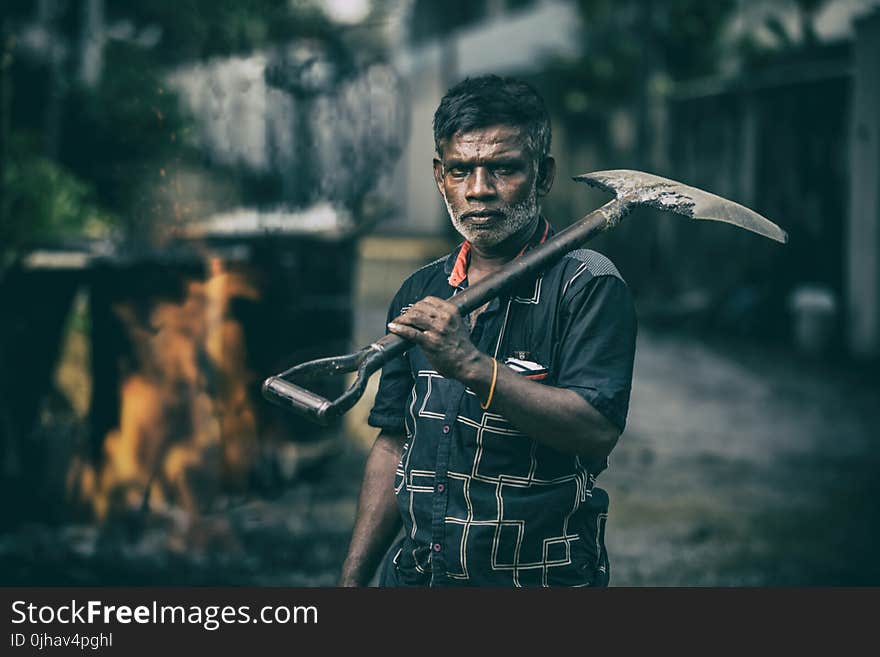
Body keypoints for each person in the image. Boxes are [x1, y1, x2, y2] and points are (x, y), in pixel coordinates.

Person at [339, 75, 637, 587]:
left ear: (543, 176)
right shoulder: (420, 289)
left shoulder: (587, 286)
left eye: (502, 169)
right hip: (418, 579)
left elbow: (596, 431)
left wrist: (473, 368)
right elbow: (393, 444)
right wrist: (352, 579)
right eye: (461, 171)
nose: (478, 191)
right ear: (439, 177)